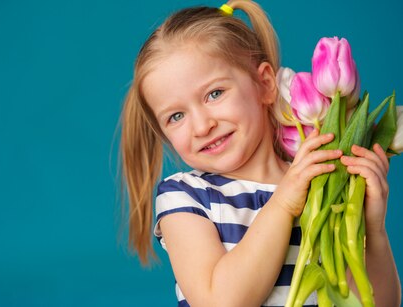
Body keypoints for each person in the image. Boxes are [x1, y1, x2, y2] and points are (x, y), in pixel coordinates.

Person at [118, 0, 402, 306]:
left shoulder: (319, 183)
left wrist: (372, 229)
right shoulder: (185, 196)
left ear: (265, 84)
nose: (201, 126)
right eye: (176, 116)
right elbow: (221, 301)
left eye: (214, 94)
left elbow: (379, 302)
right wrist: (281, 205)